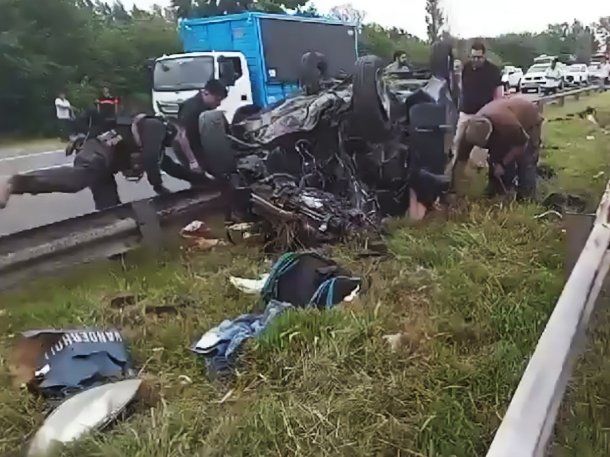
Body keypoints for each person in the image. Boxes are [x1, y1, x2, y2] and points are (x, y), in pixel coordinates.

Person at [0, 113, 204, 211]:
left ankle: (118, 257)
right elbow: (151, 159)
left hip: (106, 164)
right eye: (181, 137)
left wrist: (202, 180)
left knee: (111, 213)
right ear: (175, 128)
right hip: (98, 150)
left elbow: (170, 167)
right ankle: (14, 182)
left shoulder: (155, 140)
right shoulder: (156, 126)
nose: (181, 143)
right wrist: (158, 186)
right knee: (77, 180)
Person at [456, 96, 543, 200]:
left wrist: (502, 164)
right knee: (496, 158)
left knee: (526, 160)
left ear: (490, 134)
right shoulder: (469, 132)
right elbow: (460, 161)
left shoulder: (507, 125)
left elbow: (521, 146)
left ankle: (526, 197)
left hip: (529, 121)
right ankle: (499, 190)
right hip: (504, 121)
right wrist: (456, 189)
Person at [451, 42, 503, 174]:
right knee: (458, 140)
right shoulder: (466, 68)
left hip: (483, 114)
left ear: (484, 56)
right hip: (466, 111)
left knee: (480, 146)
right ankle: (456, 170)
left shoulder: (493, 71)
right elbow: (461, 87)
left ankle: (478, 172)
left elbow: (498, 92)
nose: (475, 60)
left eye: (478, 57)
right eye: (473, 57)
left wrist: (496, 108)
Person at [176, 79, 228, 172]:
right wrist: (192, 161)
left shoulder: (206, 108)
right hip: (186, 149)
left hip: (199, 146)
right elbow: (181, 136)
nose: (219, 104)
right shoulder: (192, 108)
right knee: (202, 178)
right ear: (206, 93)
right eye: (217, 99)